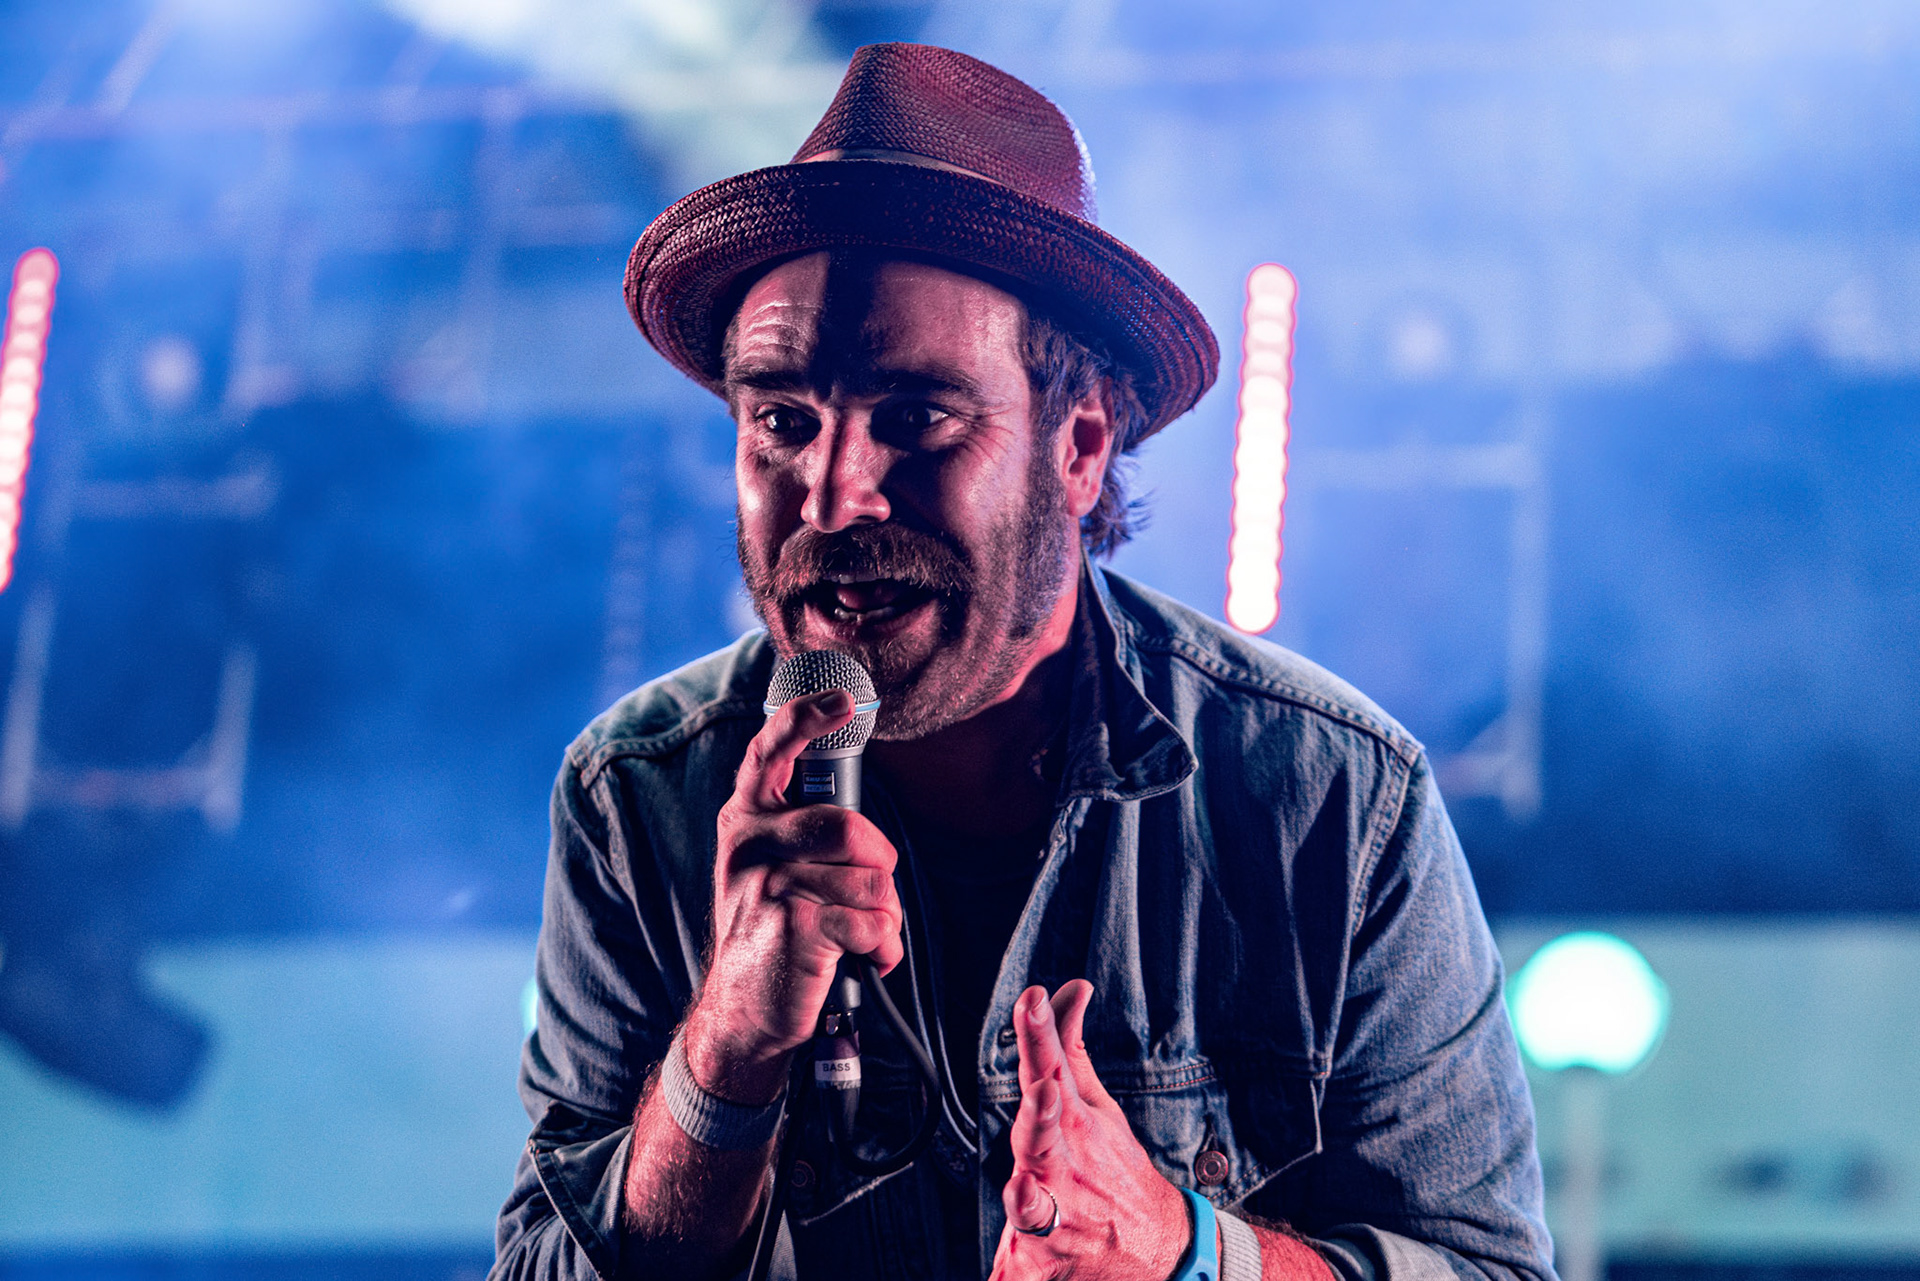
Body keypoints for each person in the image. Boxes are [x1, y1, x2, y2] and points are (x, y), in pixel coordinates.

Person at [491, 42, 1555, 1281]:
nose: (832, 496)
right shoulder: (638, 794)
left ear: (1081, 445)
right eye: (781, 420)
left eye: (916, 418)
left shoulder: (1330, 796)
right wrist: (724, 1051)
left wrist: (1191, 1254)